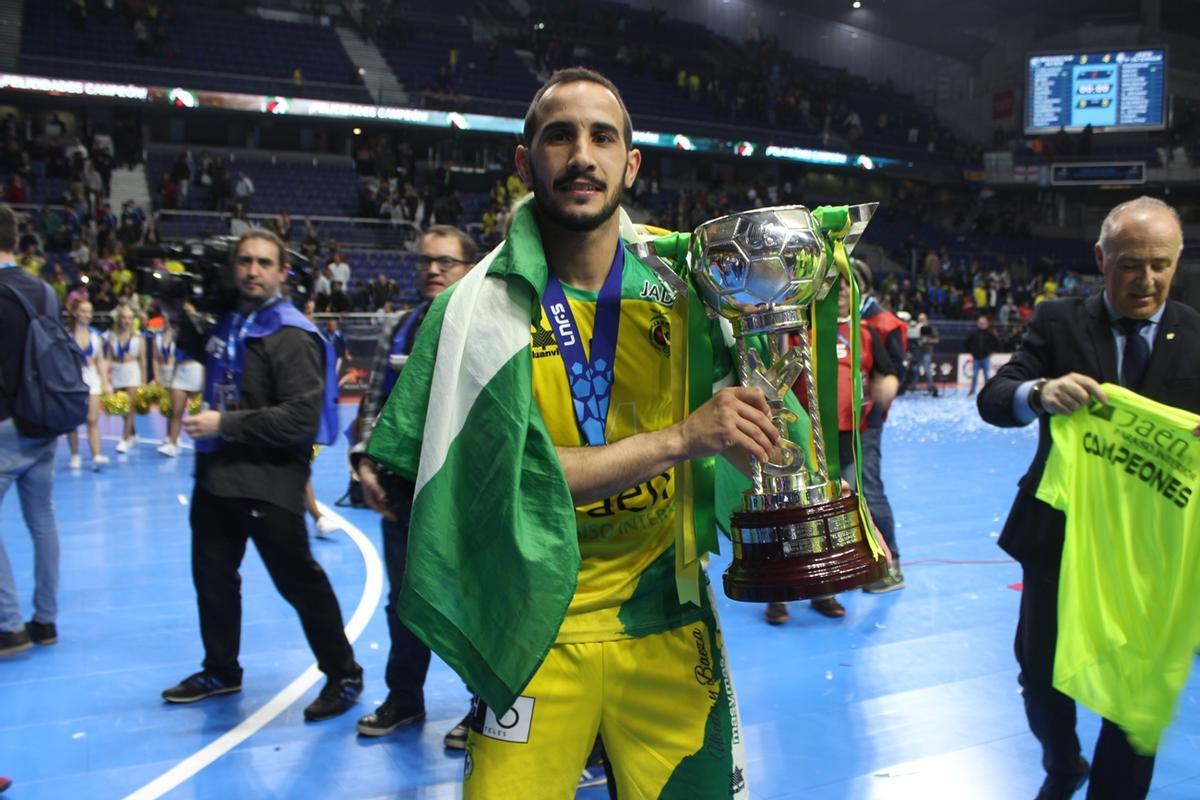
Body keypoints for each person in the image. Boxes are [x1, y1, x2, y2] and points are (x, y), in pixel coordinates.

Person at [362, 68, 782, 797]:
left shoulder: (695, 289)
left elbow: (764, 422)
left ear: (631, 162)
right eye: (559, 136)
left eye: (602, 136)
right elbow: (508, 480)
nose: (581, 154)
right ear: (525, 163)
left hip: (664, 618)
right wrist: (682, 439)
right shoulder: (467, 315)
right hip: (530, 630)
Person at [978, 196, 1200, 800]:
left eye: (1160, 264)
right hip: (1059, 537)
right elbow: (994, 397)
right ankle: (1062, 761)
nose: (1146, 280)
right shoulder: (1059, 320)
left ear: (1177, 261)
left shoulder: (1198, 331)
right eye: (1130, 264)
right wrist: (1039, 391)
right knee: (1041, 676)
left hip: (1155, 552)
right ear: (1102, 258)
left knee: (1136, 691)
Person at [160, 230, 364, 721]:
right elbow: (203, 349)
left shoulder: (289, 333)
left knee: (299, 583)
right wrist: (172, 306)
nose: (253, 270)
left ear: (281, 272)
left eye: (264, 263)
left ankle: (344, 674)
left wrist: (223, 423)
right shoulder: (233, 323)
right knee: (212, 581)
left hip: (267, 482)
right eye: (245, 261)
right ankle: (221, 670)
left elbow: (299, 418)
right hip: (216, 478)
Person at [349, 225, 477, 745]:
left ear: (470, 268)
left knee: (471, 602)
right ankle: (404, 699)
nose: (433, 270)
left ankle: (483, 704)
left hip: (466, 493)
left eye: (445, 262)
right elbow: (372, 404)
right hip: (402, 492)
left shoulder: (488, 328)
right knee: (404, 600)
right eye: (426, 261)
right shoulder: (398, 328)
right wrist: (364, 464)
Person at [765, 273, 899, 623]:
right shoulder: (793, 333)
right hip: (800, 441)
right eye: (831, 287)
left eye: (844, 288)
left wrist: (889, 385)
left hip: (847, 441)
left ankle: (825, 589)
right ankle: (778, 594)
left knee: (834, 515)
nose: (838, 293)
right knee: (789, 515)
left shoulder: (864, 332)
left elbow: (888, 371)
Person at [0, 205, 62, 655]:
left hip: (3, 423)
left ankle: (8, 625)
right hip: (43, 421)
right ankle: (45, 621)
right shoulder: (44, 291)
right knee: (42, 519)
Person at [852, 260, 907, 594]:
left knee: (869, 487)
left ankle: (892, 563)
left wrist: (886, 386)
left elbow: (894, 372)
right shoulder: (828, 320)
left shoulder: (882, 323)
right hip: (837, 422)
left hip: (866, 420)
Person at [66, 298, 111, 470]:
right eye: (83, 311)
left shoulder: (96, 336)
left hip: (91, 377)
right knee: (72, 421)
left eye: (89, 312)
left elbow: (100, 361)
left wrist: (105, 383)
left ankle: (96, 455)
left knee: (92, 419)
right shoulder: (66, 335)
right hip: (73, 378)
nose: (87, 315)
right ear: (75, 312)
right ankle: (75, 455)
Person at [154, 325, 203, 458]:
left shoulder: (199, 333)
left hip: (196, 370)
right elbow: (172, 357)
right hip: (179, 373)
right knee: (176, 412)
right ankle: (172, 444)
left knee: (199, 412)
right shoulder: (175, 336)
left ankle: (202, 445)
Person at [105, 303, 145, 453]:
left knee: (129, 406)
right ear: (119, 319)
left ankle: (124, 439)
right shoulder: (111, 336)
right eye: (123, 317)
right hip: (117, 371)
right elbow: (108, 357)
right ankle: (133, 434)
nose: (126, 321)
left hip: (132, 371)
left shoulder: (138, 337)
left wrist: (143, 380)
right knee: (122, 407)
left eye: (129, 318)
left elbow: (142, 359)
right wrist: (106, 378)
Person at [964, 313, 999, 395]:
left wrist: (992, 352)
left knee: (986, 375)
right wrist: (971, 352)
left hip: (985, 358)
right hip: (976, 358)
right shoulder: (973, 334)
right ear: (978, 324)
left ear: (987, 324)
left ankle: (988, 392)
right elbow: (966, 343)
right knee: (974, 376)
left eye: (983, 323)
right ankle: (972, 391)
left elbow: (997, 344)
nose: (981, 325)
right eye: (980, 323)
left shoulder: (990, 334)